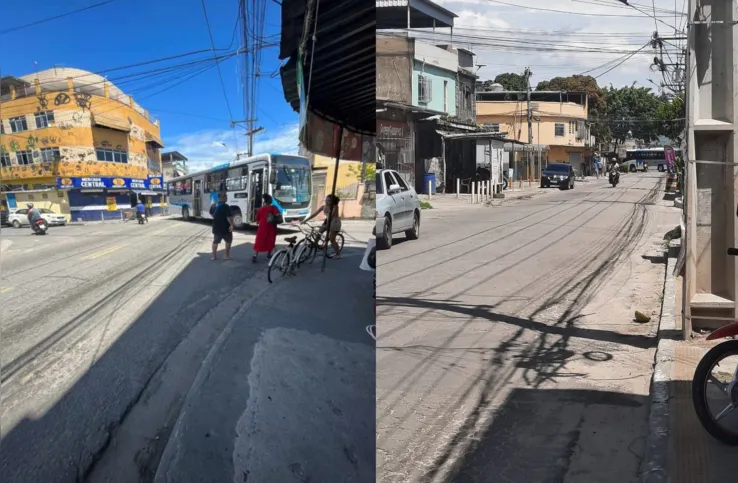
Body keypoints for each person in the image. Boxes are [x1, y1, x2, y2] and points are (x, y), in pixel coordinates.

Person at [301, 194, 342, 259]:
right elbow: (314, 214)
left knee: (332, 239)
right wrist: (305, 220)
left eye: (329, 200)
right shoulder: (323, 207)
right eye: (326, 200)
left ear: (332, 201)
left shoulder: (335, 207)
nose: (326, 201)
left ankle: (338, 254)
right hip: (327, 221)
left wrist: (326, 226)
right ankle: (316, 244)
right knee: (318, 233)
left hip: (335, 223)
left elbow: (331, 216)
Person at [253, 193, 280, 263]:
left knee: (259, 240)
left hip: (262, 227)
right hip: (271, 227)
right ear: (270, 201)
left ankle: (255, 255)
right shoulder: (273, 208)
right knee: (270, 240)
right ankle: (269, 254)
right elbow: (277, 214)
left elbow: (257, 219)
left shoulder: (260, 209)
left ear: (264, 201)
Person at [211, 192, 234, 260]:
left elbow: (212, 214)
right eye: (226, 196)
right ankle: (226, 255)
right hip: (225, 228)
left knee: (215, 242)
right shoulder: (225, 206)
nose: (226, 198)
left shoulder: (214, 205)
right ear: (223, 198)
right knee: (228, 241)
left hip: (216, 227)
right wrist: (232, 225)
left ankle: (214, 256)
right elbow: (229, 217)